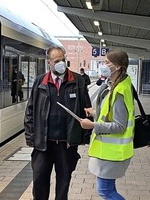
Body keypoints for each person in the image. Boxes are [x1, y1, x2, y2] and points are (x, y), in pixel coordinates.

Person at [24, 46, 93, 200]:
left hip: (66, 145)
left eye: (63, 59)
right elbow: (30, 111)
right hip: (43, 144)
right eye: (57, 61)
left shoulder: (77, 81)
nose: (61, 63)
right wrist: (31, 138)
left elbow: (87, 110)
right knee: (39, 182)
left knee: (63, 184)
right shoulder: (40, 82)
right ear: (49, 63)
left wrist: (83, 137)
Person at [80, 50, 134, 200]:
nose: (103, 65)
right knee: (109, 189)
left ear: (117, 67)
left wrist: (92, 125)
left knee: (105, 191)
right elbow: (109, 114)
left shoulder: (120, 91)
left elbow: (119, 125)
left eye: (107, 63)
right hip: (110, 151)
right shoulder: (116, 85)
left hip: (112, 152)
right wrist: (95, 113)